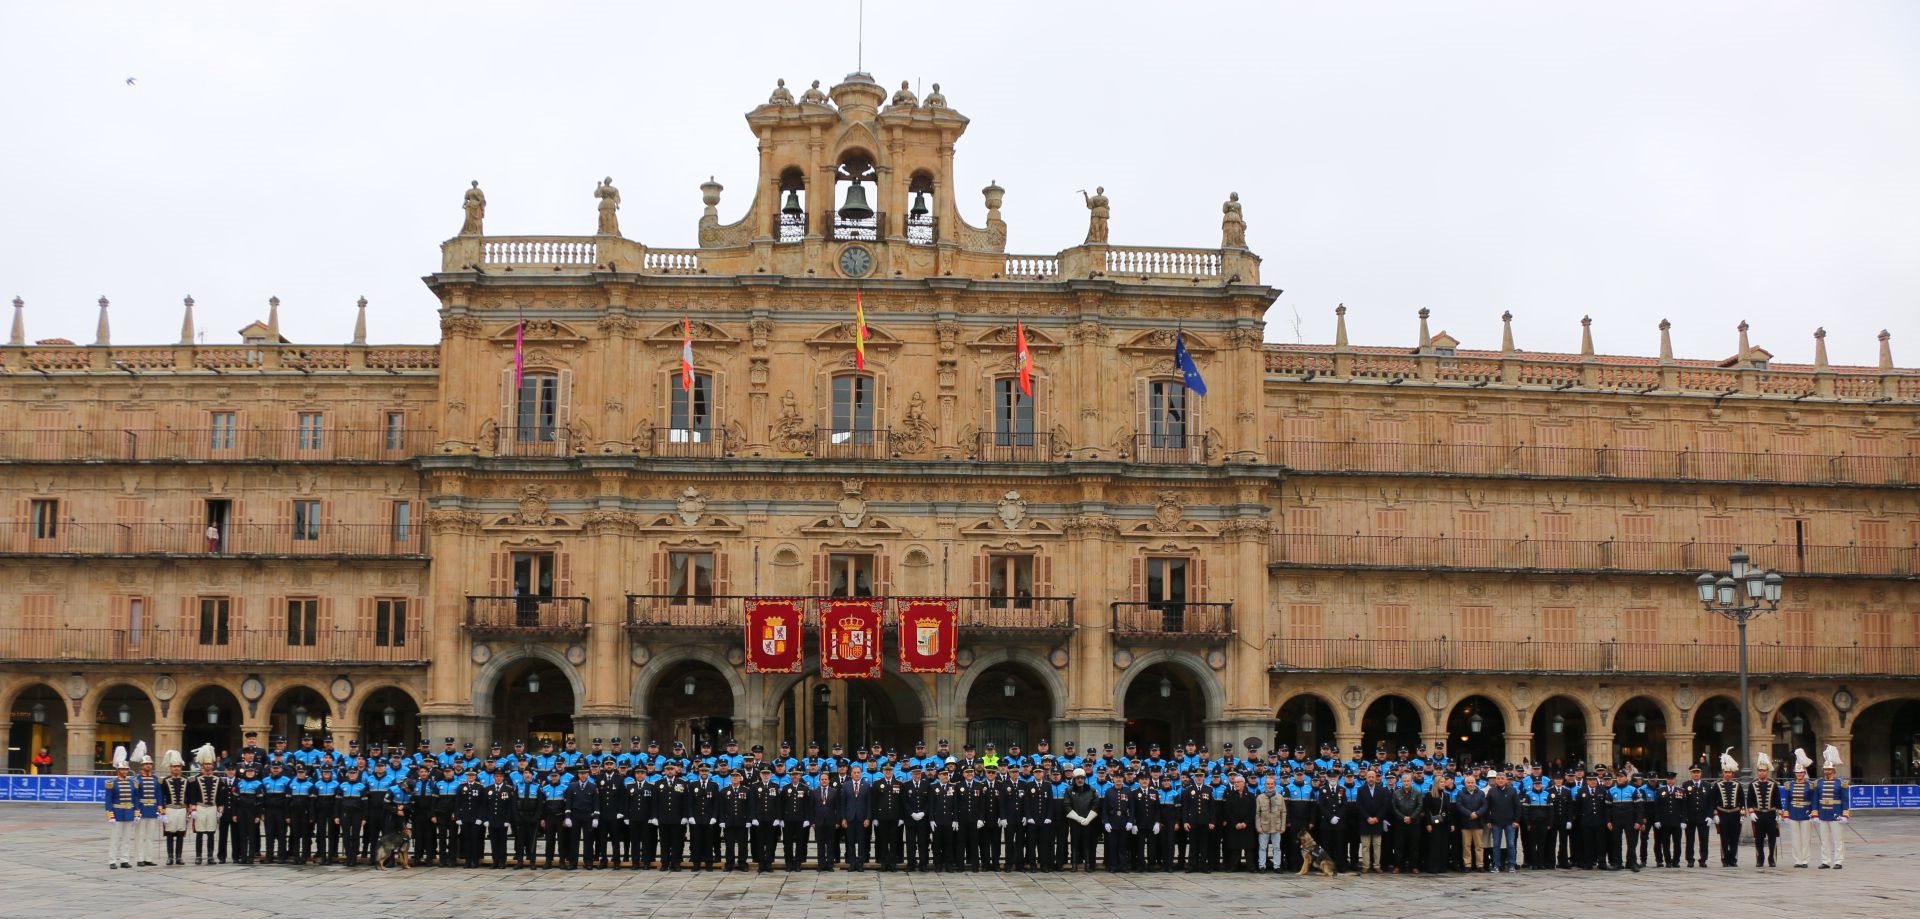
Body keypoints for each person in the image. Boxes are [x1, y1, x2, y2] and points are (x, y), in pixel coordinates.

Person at [1812, 746, 1849, 869]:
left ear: (1834, 771)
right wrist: (1815, 813)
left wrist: (1845, 814)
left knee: (1838, 839)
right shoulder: (1819, 783)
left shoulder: (1841, 783)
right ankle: (1826, 861)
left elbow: (1844, 799)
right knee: (1824, 840)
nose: (1827, 771)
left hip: (1836, 813)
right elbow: (1815, 799)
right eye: (1825, 770)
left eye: (1829, 770)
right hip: (1823, 813)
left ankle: (1838, 861)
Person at [1484, 770, 1520, 873]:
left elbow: (1517, 807)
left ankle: (1512, 865)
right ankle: (1496, 865)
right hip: (1496, 822)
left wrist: (1516, 820)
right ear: (1495, 780)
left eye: (1502, 778)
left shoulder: (1512, 790)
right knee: (1496, 844)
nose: (1500, 780)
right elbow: (1487, 807)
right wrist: (1488, 821)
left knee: (1511, 844)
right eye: (1498, 779)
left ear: (1506, 780)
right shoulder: (1492, 791)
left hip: (1510, 822)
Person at [1453, 769, 1487, 871]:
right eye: (1468, 782)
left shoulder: (1481, 793)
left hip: (1478, 823)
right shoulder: (1461, 793)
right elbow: (1459, 806)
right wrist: (1469, 814)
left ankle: (1480, 865)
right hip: (1466, 823)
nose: (1470, 784)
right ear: (1465, 783)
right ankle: (1467, 864)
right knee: (1466, 845)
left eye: (1472, 782)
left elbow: (1484, 806)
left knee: (1479, 846)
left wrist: (1477, 813)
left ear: (1475, 783)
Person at [1253, 774, 1285, 872]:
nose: (1270, 785)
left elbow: (1283, 812)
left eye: (1271, 784)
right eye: (1268, 784)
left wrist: (1283, 826)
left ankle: (1277, 866)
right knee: (1262, 847)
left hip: (1276, 826)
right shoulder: (1260, 797)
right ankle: (1262, 866)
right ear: (1265, 785)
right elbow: (1257, 813)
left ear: (1275, 785)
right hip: (1264, 826)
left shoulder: (1280, 797)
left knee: (1277, 848)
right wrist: (1258, 827)